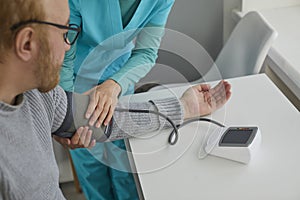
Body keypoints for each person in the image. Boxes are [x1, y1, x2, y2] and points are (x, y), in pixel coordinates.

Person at [0, 0, 231, 199]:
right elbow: (67, 68)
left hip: (105, 87)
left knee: (125, 171)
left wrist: (184, 107)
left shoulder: (42, 99)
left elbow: (116, 121)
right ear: (27, 43)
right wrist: (66, 106)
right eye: (64, 33)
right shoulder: (47, 97)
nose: (69, 43)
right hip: (75, 86)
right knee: (93, 173)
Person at [59, 0, 177, 199]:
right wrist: (68, 110)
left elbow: (146, 52)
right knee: (90, 164)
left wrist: (115, 85)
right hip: (77, 84)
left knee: (124, 162)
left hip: (120, 79)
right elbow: (64, 56)